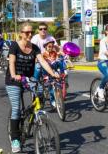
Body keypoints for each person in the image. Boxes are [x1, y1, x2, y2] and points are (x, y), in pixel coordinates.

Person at [5, 23, 59, 153]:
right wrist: (13, 75)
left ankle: (33, 119)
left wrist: (53, 74)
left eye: (30, 32)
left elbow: (43, 62)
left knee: (40, 94)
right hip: (14, 80)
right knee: (16, 109)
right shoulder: (14, 46)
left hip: (29, 79)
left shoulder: (34, 48)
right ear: (21, 34)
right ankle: (15, 139)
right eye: (26, 32)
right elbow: (11, 62)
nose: (29, 34)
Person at [42, 38, 65, 107]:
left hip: (55, 71)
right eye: (49, 46)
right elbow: (40, 61)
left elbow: (58, 58)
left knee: (58, 85)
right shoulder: (43, 54)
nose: (51, 48)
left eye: (52, 46)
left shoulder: (54, 53)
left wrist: (62, 55)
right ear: (46, 46)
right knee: (51, 88)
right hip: (47, 73)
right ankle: (52, 100)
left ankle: (62, 73)